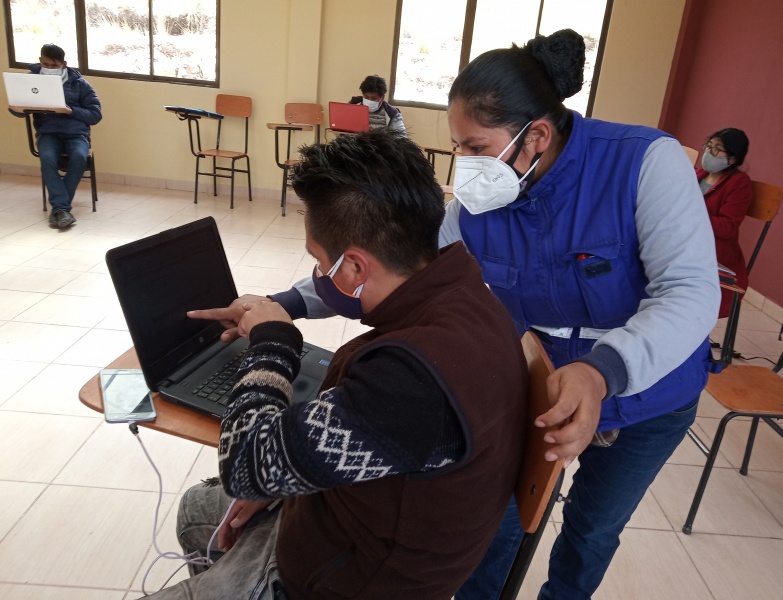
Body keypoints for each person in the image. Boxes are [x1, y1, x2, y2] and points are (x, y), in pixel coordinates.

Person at [268, 29, 721, 599]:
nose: (464, 165)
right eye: (457, 146)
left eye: (476, 147)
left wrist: (602, 371)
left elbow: (690, 292)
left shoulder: (642, 163)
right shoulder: (484, 202)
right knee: (497, 529)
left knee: (591, 532)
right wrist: (286, 304)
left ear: (536, 136)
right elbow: (397, 262)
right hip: (536, 392)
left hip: (649, 392)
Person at [143, 131, 528, 599]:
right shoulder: (466, 297)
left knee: (212, 502)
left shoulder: (413, 381)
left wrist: (273, 340)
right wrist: (285, 481)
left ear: (355, 268)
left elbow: (244, 466)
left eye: (319, 260)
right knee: (197, 508)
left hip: (343, 580)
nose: (318, 274)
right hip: (346, 517)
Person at [10, 43, 102, 229]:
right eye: (45, 64)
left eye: (54, 65)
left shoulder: (80, 84)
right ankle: (62, 209)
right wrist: (17, 107)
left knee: (79, 156)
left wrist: (70, 110)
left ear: (64, 64)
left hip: (76, 134)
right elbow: (18, 110)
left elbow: (95, 115)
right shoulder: (30, 81)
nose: (49, 68)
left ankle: (60, 209)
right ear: (40, 61)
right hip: (48, 133)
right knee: (47, 157)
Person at [696, 128, 752, 318]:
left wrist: (692, 216)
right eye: (709, 145)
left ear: (733, 159)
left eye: (717, 149)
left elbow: (727, 228)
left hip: (713, 254)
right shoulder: (699, 174)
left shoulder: (739, 183)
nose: (709, 152)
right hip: (685, 243)